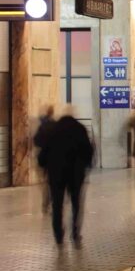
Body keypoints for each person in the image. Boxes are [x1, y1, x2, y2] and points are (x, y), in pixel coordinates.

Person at [38, 112, 94, 246]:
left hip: (56, 174)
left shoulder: (52, 130)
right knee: (76, 203)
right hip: (75, 174)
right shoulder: (80, 129)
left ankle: (58, 235)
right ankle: (75, 233)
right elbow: (88, 151)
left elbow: (42, 155)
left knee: (57, 204)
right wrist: (85, 165)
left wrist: (45, 165)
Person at [32, 105, 57, 214]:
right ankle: (53, 203)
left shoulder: (42, 126)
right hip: (55, 159)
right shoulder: (56, 126)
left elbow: (36, 140)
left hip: (44, 158)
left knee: (46, 183)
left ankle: (45, 204)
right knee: (53, 183)